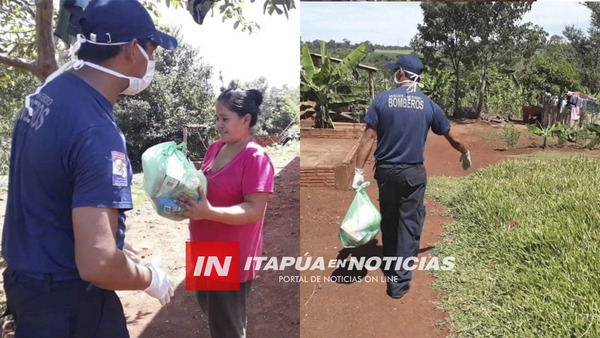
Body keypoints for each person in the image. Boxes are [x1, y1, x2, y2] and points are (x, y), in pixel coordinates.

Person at [1, 0, 178, 336]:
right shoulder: (98, 133)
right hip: (67, 303)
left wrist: (116, 245)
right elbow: (98, 264)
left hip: (28, 285)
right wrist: (150, 278)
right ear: (131, 51)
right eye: (151, 49)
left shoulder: (47, 94)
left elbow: (50, 190)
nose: (152, 60)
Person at [352, 55, 471, 299]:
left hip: (385, 172)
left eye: (396, 70)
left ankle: (390, 261)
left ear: (403, 74)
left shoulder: (382, 100)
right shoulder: (428, 105)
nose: (394, 73)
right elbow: (452, 137)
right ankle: (398, 282)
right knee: (410, 222)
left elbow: (368, 138)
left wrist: (357, 171)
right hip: (412, 174)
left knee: (390, 218)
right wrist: (465, 152)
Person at [174, 88, 275, 338]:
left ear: (246, 120)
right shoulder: (214, 149)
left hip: (232, 254)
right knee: (213, 316)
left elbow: (253, 210)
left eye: (225, 119)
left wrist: (207, 212)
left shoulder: (256, 158)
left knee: (227, 327)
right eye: (217, 118)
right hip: (205, 247)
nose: (219, 125)